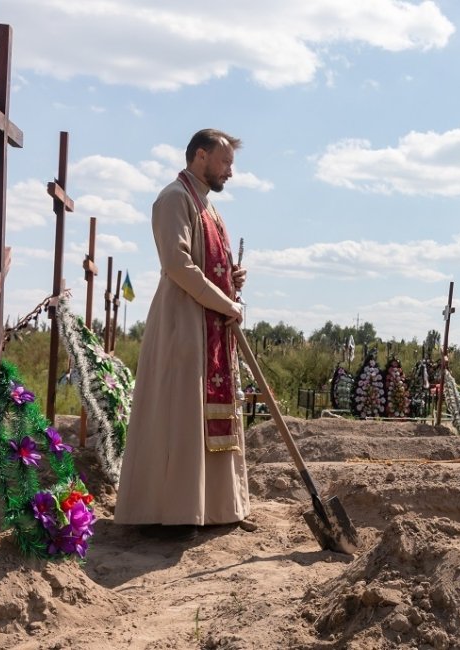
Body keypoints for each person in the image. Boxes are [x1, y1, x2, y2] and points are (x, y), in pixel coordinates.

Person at [115, 129, 252, 541]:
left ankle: (211, 507)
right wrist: (226, 304)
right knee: (181, 412)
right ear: (200, 157)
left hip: (209, 322)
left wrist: (232, 277)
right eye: (225, 162)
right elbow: (178, 264)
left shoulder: (209, 209)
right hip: (183, 323)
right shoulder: (174, 198)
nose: (231, 171)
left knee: (201, 412)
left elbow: (206, 264)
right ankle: (172, 511)